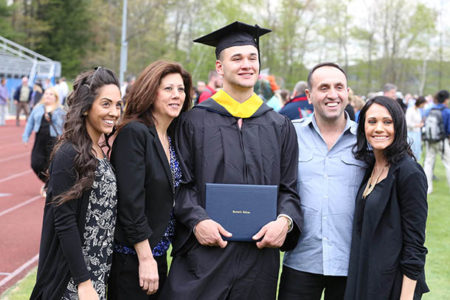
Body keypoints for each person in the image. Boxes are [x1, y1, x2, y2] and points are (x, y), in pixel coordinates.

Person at [161, 21, 302, 300]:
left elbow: (289, 189)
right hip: (204, 255)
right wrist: (197, 221)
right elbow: (180, 185)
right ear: (219, 67)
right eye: (236, 58)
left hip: (257, 262)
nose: (246, 64)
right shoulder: (193, 121)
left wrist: (284, 222)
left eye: (252, 58)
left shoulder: (279, 125)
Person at [30, 67, 123, 300]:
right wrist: (83, 282)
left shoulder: (98, 151)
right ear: (85, 107)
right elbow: (64, 221)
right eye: (106, 104)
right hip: (72, 280)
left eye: (118, 105)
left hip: (98, 272)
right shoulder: (68, 153)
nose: (114, 112)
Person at [279, 62, 366, 300]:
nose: (332, 94)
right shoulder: (289, 135)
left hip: (350, 263)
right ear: (309, 95)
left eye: (339, 87)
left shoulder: (365, 141)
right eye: (324, 87)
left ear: (347, 93)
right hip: (301, 261)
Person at [108, 60, 192, 299]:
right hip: (132, 259)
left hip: (159, 254)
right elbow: (130, 202)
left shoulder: (171, 136)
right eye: (168, 89)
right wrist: (145, 258)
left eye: (181, 89)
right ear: (150, 91)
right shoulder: (135, 133)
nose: (177, 95)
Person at [345, 96, 429, 300]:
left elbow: (415, 245)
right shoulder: (372, 167)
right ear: (363, 126)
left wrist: (406, 298)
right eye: (372, 121)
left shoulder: (409, 173)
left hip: (392, 288)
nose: (379, 128)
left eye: (387, 122)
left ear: (398, 126)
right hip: (364, 280)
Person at [22, 87, 66, 195]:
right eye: (46, 94)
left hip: (53, 139)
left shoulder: (60, 110)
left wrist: (52, 115)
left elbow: (62, 124)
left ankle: (48, 186)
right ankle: (48, 182)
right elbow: (30, 123)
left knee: (51, 164)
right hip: (40, 139)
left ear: (55, 97)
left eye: (51, 94)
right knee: (35, 163)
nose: (48, 96)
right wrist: (25, 137)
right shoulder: (37, 108)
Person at [423, 90, 450, 194]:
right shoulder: (447, 111)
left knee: (428, 163)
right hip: (442, 141)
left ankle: (428, 188)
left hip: (430, 140)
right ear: (446, 99)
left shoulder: (430, 109)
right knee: (448, 163)